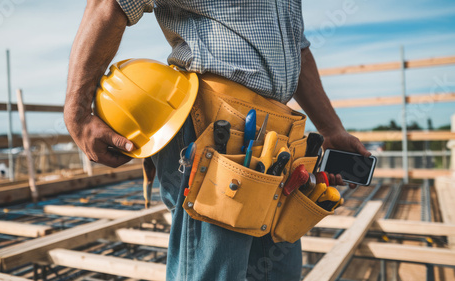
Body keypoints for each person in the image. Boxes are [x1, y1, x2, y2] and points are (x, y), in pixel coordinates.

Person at [64, 0, 371, 280]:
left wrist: (332, 130)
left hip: (278, 139)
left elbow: (296, 49)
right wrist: (76, 112)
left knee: (278, 273)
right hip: (213, 127)